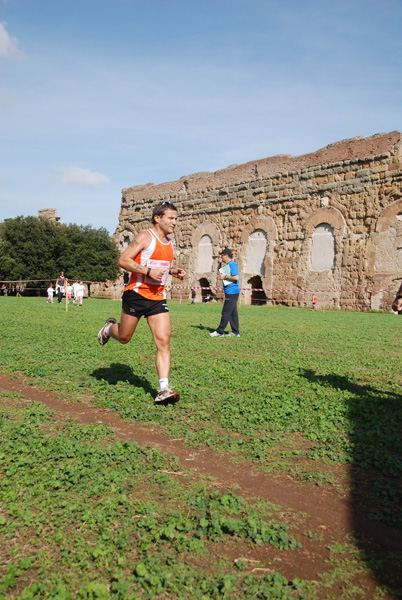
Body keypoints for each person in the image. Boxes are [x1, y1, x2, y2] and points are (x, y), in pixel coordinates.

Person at [97, 201, 186, 404]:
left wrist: (172, 271)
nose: (175, 222)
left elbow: (158, 266)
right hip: (136, 295)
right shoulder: (144, 237)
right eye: (171, 218)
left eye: (176, 219)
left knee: (163, 340)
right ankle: (109, 328)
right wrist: (147, 271)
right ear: (158, 218)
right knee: (125, 336)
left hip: (157, 298)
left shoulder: (170, 243)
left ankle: (164, 388)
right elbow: (123, 260)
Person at [210, 248, 240, 338]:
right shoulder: (228, 265)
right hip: (230, 292)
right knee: (232, 313)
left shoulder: (233, 265)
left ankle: (220, 331)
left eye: (222, 255)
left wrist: (225, 276)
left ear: (226, 256)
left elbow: (236, 277)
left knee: (225, 312)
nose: (221, 257)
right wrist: (221, 270)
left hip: (232, 292)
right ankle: (235, 332)